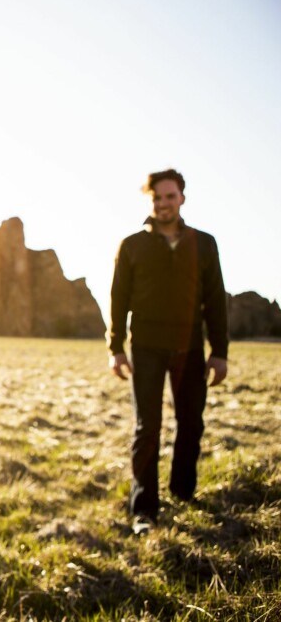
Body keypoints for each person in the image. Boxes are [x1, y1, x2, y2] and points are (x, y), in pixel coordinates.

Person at [108, 168, 228, 536]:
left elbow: (214, 300)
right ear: (151, 201)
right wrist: (116, 348)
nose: (163, 204)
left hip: (190, 348)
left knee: (191, 424)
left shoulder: (204, 244)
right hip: (144, 347)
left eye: (169, 197)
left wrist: (219, 351)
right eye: (157, 198)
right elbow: (118, 300)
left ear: (182, 199)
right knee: (149, 427)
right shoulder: (132, 245)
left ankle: (183, 491)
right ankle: (144, 509)